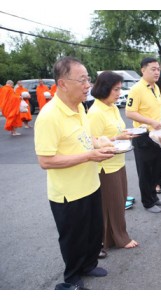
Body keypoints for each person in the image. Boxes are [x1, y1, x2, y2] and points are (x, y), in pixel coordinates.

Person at [34, 56, 115, 288]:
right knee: (73, 238)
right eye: (82, 80)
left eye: (87, 78)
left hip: (90, 184)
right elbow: (46, 160)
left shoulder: (80, 107)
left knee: (93, 231)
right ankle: (71, 280)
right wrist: (89, 156)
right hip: (68, 194)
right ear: (62, 83)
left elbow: (85, 137)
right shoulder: (49, 116)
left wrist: (101, 144)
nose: (87, 85)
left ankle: (88, 265)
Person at [87, 71, 139, 252]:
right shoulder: (95, 112)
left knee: (119, 200)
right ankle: (120, 238)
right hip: (105, 165)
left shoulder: (113, 107)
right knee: (113, 204)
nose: (119, 93)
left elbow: (112, 135)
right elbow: (93, 141)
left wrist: (122, 136)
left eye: (120, 89)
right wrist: (117, 138)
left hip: (118, 160)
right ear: (104, 88)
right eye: (116, 89)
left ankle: (108, 238)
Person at [125, 57, 161, 214]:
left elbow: (158, 110)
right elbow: (129, 112)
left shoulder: (156, 88)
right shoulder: (136, 89)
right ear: (143, 70)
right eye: (153, 69)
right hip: (144, 135)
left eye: (158, 69)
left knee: (159, 165)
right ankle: (148, 202)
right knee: (145, 170)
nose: (157, 72)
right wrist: (150, 121)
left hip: (158, 134)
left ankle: (154, 197)